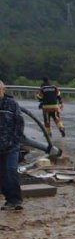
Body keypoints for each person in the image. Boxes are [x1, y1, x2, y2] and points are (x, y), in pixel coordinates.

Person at [0, 81, 24, 211]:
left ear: (3, 89)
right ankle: (9, 200)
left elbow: (19, 123)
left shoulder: (12, 104)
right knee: (2, 174)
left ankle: (16, 200)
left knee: (11, 171)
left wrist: (15, 141)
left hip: (11, 146)